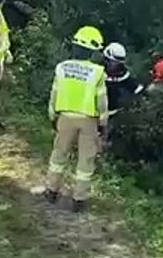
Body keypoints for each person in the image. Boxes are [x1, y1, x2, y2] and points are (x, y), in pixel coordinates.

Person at [40, 26, 109, 213]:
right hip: (88, 120)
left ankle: (51, 191)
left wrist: (52, 116)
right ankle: (79, 200)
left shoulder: (62, 68)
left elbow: (54, 95)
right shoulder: (97, 73)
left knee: (59, 155)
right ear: (91, 51)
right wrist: (103, 124)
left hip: (65, 117)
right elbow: (101, 101)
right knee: (85, 161)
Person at [103, 42, 146, 118]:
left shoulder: (123, 74)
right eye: (114, 62)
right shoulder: (97, 71)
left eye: (118, 63)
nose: (115, 65)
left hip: (115, 115)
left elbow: (136, 89)